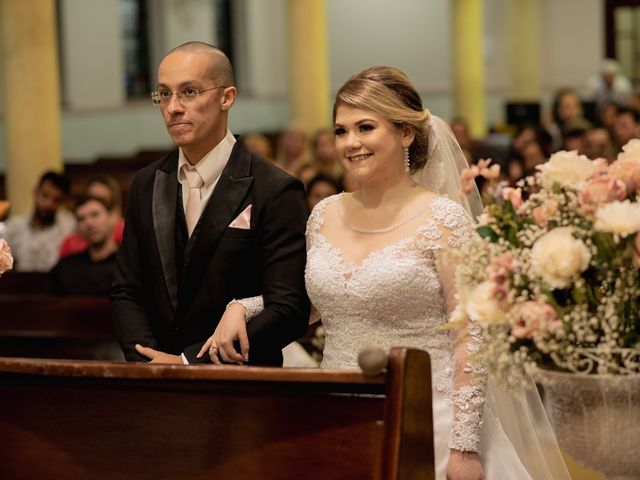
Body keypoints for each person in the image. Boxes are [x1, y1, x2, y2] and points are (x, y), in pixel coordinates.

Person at [205, 67, 570, 479]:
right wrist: (244, 307)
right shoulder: (324, 214)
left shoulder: (444, 219)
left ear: (405, 133)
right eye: (341, 131)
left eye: (365, 127)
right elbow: (314, 303)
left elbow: (472, 335)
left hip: (430, 420)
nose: (351, 143)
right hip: (341, 415)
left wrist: (464, 446)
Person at [110, 41, 309, 365]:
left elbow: (289, 307)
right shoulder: (147, 183)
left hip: (241, 387)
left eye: (189, 92)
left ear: (226, 97)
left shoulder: (275, 188)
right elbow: (127, 290)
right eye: (164, 93)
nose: (173, 107)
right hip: (153, 383)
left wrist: (189, 363)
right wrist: (147, 360)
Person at [1, 171, 75, 272]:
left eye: (56, 200)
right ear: (36, 192)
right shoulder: (15, 226)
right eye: (45, 195)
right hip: (21, 284)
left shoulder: (69, 226)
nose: (48, 204)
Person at [50, 196, 118, 295]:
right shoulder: (66, 267)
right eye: (81, 219)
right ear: (77, 228)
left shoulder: (129, 264)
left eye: (95, 214)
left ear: (111, 218)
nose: (89, 223)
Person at [59, 175, 125, 257]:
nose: (94, 204)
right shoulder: (70, 243)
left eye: (102, 200)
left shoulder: (126, 233)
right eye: (90, 197)